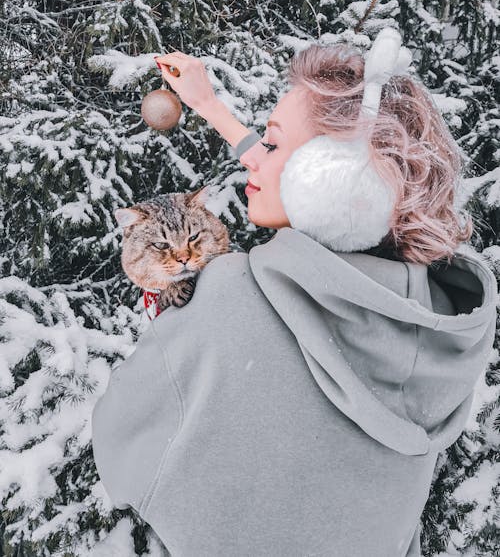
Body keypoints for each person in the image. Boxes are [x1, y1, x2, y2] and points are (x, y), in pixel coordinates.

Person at [91, 28, 498, 557]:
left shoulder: (229, 298)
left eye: (274, 141)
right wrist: (208, 105)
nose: (251, 159)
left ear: (331, 179)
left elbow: (120, 457)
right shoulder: (437, 320)